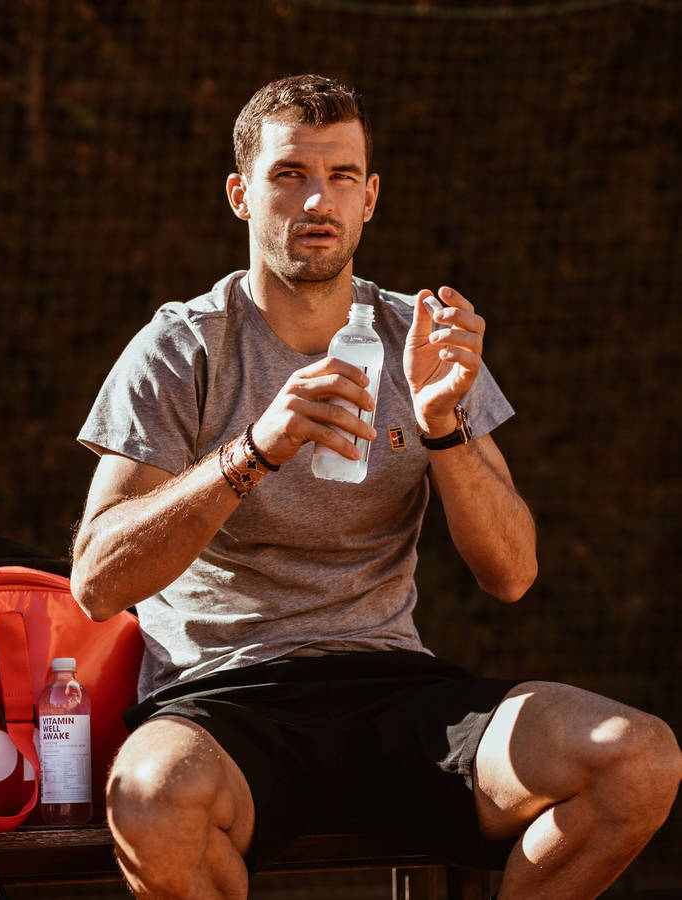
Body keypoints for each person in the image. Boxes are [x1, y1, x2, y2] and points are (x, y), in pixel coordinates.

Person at [70, 74, 681, 900]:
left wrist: (442, 424)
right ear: (240, 195)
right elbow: (98, 581)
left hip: (394, 687)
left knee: (638, 758)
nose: (317, 199)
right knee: (149, 799)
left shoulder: (421, 339)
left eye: (342, 176)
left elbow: (512, 575)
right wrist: (253, 449)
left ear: (370, 198)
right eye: (289, 174)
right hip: (226, 697)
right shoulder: (183, 348)